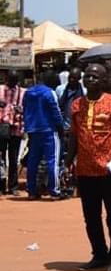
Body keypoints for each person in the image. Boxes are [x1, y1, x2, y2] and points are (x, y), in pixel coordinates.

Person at [64, 63, 111, 271]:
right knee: (91, 217)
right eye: (88, 76)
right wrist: (67, 161)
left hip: (110, 169)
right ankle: (99, 254)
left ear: (104, 81)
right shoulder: (76, 105)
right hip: (85, 170)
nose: (90, 80)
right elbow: (74, 136)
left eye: (95, 77)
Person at [24, 70, 65, 200]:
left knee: (33, 161)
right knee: (52, 161)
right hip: (49, 130)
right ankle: (54, 191)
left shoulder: (28, 92)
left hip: (33, 130)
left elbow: (25, 109)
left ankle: (31, 191)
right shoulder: (49, 93)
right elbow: (55, 111)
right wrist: (61, 128)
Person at [57, 67, 85, 197]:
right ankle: (64, 185)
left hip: (79, 129)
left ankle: (77, 185)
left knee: (78, 158)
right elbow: (58, 108)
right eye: (70, 78)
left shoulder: (84, 92)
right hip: (63, 129)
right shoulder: (61, 90)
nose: (72, 80)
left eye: (75, 78)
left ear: (79, 79)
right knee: (63, 157)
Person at [0, 71, 26, 195]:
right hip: (1, 128)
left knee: (13, 157)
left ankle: (13, 186)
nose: (11, 83)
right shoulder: (0, 90)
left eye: (14, 80)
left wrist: (21, 110)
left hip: (16, 128)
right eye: (10, 80)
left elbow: (26, 109)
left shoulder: (22, 92)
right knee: (1, 157)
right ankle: (1, 185)